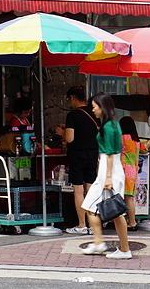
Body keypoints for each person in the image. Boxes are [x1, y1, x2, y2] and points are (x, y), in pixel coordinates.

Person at [80, 92, 131, 259]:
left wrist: (107, 178)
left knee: (91, 207)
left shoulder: (108, 126)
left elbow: (109, 153)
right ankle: (118, 247)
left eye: (94, 107)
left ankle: (102, 243)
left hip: (108, 172)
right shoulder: (113, 124)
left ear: (102, 107)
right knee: (114, 212)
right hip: (112, 171)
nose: (93, 110)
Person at [55, 85, 99, 235]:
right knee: (91, 191)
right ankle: (93, 225)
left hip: (77, 156)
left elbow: (70, 138)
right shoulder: (94, 113)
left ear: (73, 98)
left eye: (69, 99)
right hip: (93, 155)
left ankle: (81, 225)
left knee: (79, 192)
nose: (69, 102)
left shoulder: (73, 115)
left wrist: (62, 132)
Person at [119, 116, 149, 231]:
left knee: (122, 197)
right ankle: (132, 221)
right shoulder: (136, 141)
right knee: (129, 198)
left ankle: (130, 222)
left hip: (123, 170)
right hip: (133, 172)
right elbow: (145, 150)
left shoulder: (122, 138)